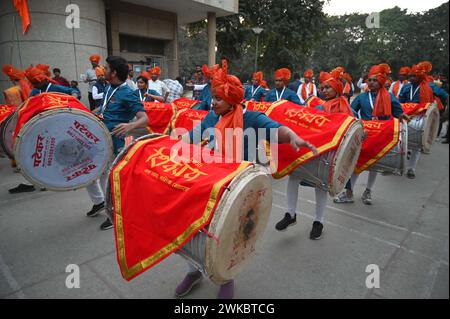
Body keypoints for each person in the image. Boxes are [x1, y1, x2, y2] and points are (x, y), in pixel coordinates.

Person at [178, 59, 317, 299]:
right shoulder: (212, 117)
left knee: (229, 235)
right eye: (213, 98)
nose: (213, 103)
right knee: (192, 229)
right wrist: (170, 146)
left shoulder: (250, 118)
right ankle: (194, 271)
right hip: (208, 181)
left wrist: (292, 136)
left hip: (236, 187)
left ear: (232, 100)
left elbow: (276, 128)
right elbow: (190, 138)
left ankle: (226, 278)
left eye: (218, 99)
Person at [276, 69, 354, 239]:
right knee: (294, 176)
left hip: (329, 153)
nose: (324, 90)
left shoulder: (346, 108)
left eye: (328, 88)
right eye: (322, 87)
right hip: (312, 147)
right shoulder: (317, 106)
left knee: (321, 185)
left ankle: (318, 221)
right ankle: (290, 214)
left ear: (337, 90)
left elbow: (353, 128)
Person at [85, 56, 149, 230]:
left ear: (113, 73)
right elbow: (103, 108)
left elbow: (144, 119)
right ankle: (99, 202)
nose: (102, 70)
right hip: (99, 138)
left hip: (115, 142)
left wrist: (130, 125)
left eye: (106, 68)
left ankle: (113, 213)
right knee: (87, 171)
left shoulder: (128, 93)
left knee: (110, 178)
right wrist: (86, 113)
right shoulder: (108, 87)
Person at [334, 63, 408, 205]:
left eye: (375, 80)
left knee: (375, 165)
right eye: (370, 80)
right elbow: (351, 111)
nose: (372, 83)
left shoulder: (390, 97)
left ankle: (368, 191)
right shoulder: (362, 97)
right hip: (365, 135)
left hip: (381, 136)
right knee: (355, 164)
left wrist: (402, 116)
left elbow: (398, 112)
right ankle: (349, 193)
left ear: (381, 81)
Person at [8, 65, 79, 194]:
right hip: (40, 126)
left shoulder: (55, 88)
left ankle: (55, 177)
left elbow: (74, 92)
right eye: (33, 83)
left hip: (57, 125)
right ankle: (38, 180)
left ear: (44, 80)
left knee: (53, 152)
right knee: (40, 153)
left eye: (36, 83)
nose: (34, 85)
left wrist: (73, 96)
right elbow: (29, 105)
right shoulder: (35, 92)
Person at [398, 61, 449, 179]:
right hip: (406, 117)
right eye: (410, 75)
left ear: (420, 76)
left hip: (421, 118)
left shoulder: (430, 86)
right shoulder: (406, 87)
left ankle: (411, 169)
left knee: (416, 144)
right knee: (401, 141)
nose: (411, 78)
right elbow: (400, 102)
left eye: (413, 76)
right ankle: (399, 165)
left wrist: (445, 111)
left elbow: (445, 96)